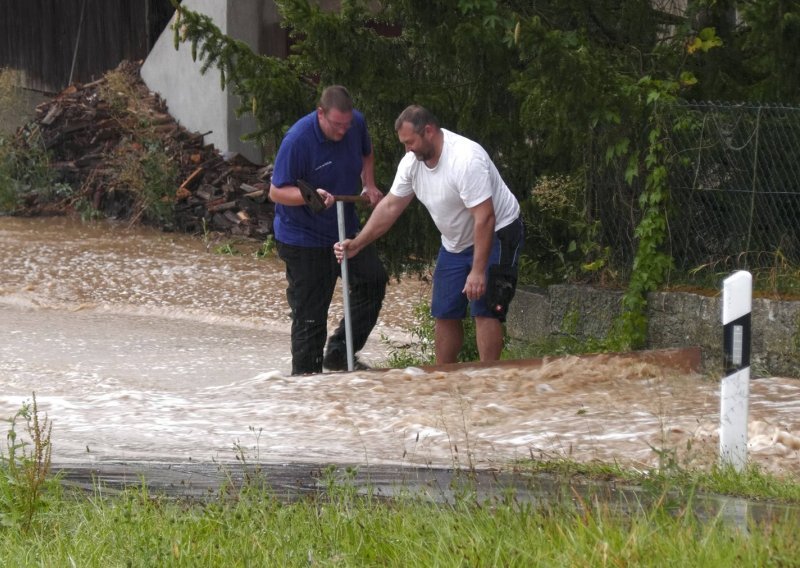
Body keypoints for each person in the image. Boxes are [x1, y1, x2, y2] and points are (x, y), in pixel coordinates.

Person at [335, 105, 524, 365]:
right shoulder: (412, 164)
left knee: (485, 309)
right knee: (445, 311)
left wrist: (478, 271)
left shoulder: (466, 159)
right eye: (403, 143)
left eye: (410, 142)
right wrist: (357, 243)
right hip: (455, 241)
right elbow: (390, 206)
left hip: (497, 231)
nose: (407, 149)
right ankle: (442, 378)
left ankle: (486, 379)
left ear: (429, 131)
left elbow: (485, 217)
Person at [269, 85, 388, 375]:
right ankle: (307, 384)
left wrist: (368, 184)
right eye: (337, 125)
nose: (343, 131)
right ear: (320, 113)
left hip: (344, 229)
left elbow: (366, 153)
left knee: (373, 281)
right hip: (303, 238)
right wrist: (310, 197)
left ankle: (339, 353)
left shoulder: (354, 123)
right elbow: (276, 191)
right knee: (311, 317)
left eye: (347, 125)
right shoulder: (298, 139)